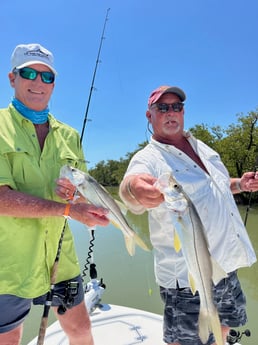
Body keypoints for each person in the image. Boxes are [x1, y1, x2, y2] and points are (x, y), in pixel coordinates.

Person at [119, 85, 258, 345]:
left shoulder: (201, 147)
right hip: (185, 277)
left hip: (226, 264)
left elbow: (213, 185)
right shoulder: (148, 158)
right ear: (149, 116)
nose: (171, 112)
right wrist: (133, 190)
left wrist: (240, 184)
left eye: (176, 107)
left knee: (222, 331)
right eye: (162, 107)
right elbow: (130, 188)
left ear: (183, 112)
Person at [0, 43, 109, 345]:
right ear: (12, 78)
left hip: (62, 261)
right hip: (9, 266)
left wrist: (77, 199)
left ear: (54, 84)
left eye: (47, 77)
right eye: (29, 73)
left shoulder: (70, 135)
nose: (38, 83)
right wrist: (67, 210)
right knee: (10, 339)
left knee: (81, 331)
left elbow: (82, 198)